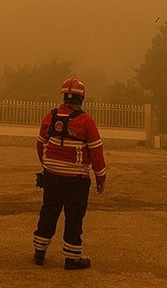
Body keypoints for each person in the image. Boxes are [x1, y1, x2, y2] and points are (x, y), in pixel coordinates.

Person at [32, 77, 107, 270]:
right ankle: (72, 258)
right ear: (81, 99)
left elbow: (40, 144)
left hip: (52, 176)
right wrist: (101, 177)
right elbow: (96, 153)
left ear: (64, 96)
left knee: (49, 211)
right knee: (74, 216)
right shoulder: (86, 122)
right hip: (77, 179)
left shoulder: (49, 118)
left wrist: (47, 165)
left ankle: (39, 252)